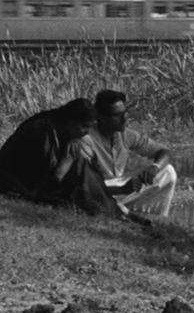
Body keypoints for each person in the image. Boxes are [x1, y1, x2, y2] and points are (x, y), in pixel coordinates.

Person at [0, 99, 125, 218]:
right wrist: (68, 160)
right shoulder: (42, 131)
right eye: (84, 127)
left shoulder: (62, 128)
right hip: (16, 184)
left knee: (82, 163)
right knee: (79, 166)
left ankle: (107, 205)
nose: (86, 132)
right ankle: (106, 207)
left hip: (36, 182)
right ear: (71, 122)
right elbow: (50, 179)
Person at [70, 89, 178, 217]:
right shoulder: (86, 139)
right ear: (101, 117)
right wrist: (121, 188)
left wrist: (154, 167)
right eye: (117, 115)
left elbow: (164, 151)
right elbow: (84, 186)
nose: (124, 119)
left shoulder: (125, 135)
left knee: (168, 171)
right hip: (98, 193)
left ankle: (150, 216)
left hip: (119, 189)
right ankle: (120, 213)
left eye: (125, 113)